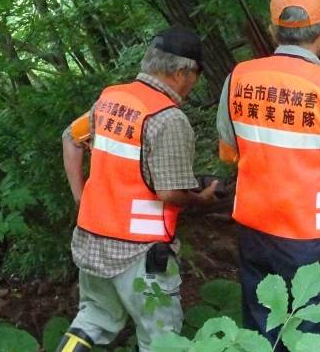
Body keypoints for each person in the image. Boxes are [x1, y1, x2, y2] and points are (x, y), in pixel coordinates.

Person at [216, 0, 320, 351]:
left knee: (265, 334)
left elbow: (229, 150)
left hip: (254, 232)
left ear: (274, 28)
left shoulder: (238, 79)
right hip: (313, 242)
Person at [57, 25, 219, 352]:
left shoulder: (111, 99)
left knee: (92, 321)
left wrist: (81, 197)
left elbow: (70, 138)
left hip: (92, 239)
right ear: (182, 71)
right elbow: (170, 193)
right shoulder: (168, 118)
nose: (195, 82)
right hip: (142, 255)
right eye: (198, 74)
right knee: (162, 341)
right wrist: (203, 199)